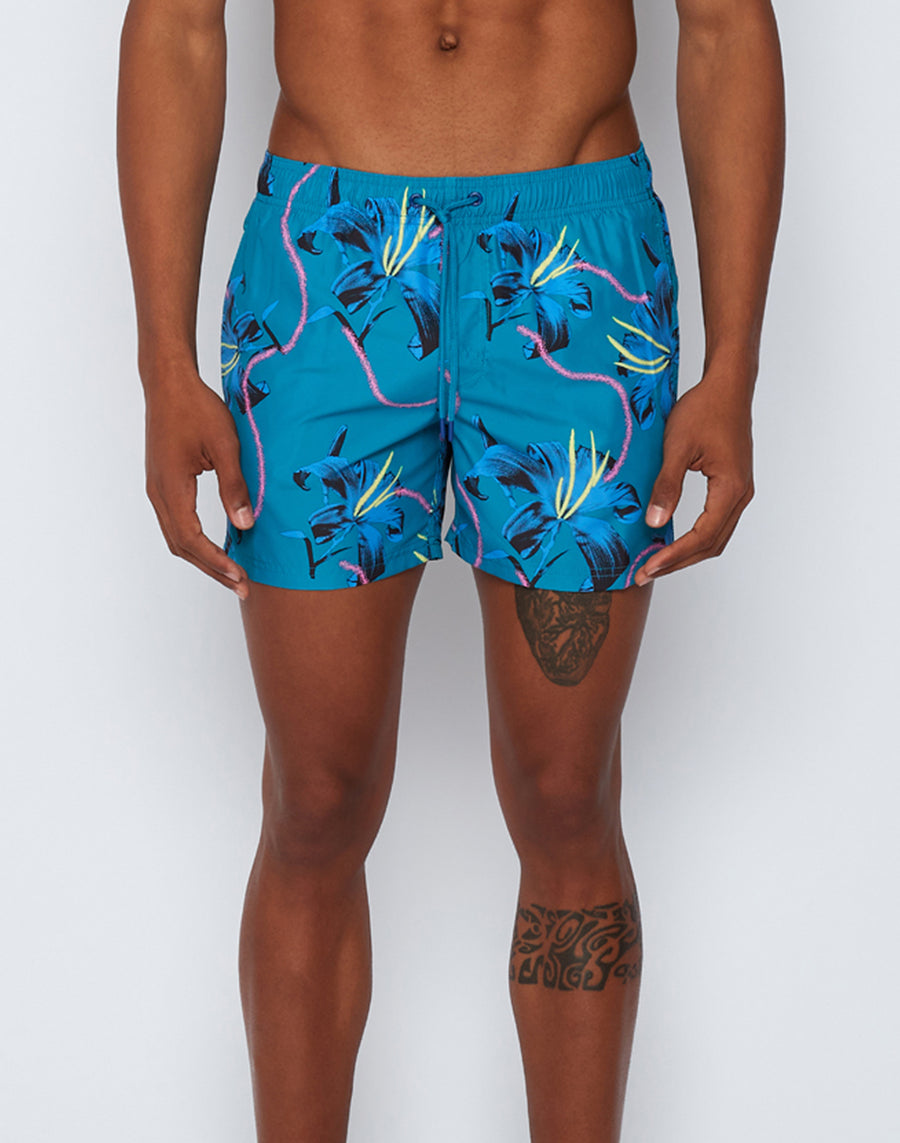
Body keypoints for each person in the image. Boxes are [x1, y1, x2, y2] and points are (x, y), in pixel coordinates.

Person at [116, 0, 784, 1138]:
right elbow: (177, 22)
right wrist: (162, 365)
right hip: (330, 256)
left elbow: (724, 24)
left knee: (566, 797)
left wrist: (736, 370)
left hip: (576, 257)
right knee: (316, 802)